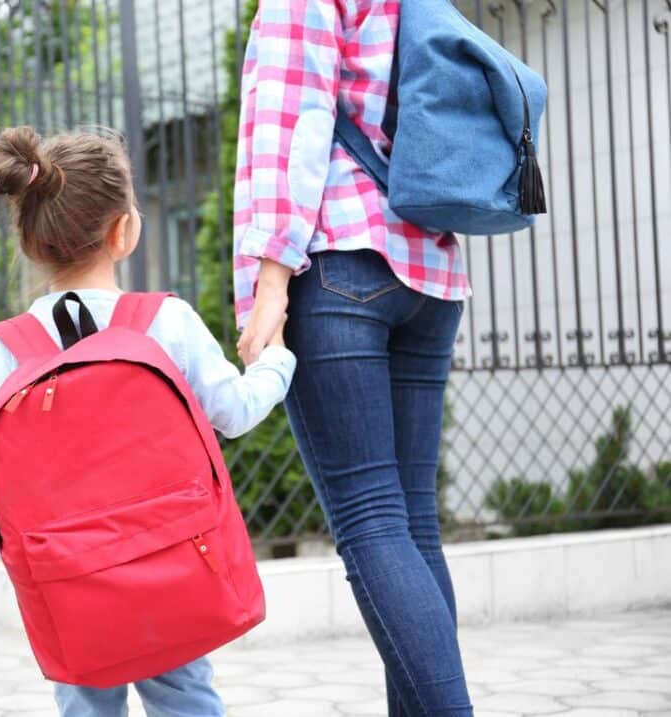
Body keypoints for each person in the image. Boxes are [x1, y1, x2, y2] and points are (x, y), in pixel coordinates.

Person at [0, 126, 296, 717]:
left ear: (30, 240)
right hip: (171, 570)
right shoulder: (167, 321)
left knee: (86, 701)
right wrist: (276, 362)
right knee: (186, 701)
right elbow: (234, 411)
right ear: (123, 231)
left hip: (69, 589)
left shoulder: (12, 350)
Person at [232, 1, 474, 715]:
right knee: (411, 526)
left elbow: (294, 119)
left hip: (338, 261)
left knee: (372, 522)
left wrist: (271, 278)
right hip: (428, 269)